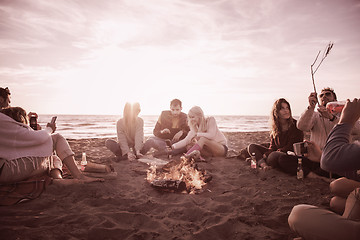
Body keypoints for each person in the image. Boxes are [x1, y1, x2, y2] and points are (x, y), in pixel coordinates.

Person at [288, 98, 360, 240]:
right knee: (337, 195)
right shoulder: (315, 115)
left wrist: (341, 120)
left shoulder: (340, 117)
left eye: (329, 94)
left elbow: (356, 129)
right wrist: (311, 106)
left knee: (298, 214)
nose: (325, 97)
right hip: (332, 160)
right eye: (323, 95)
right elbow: (302, 125)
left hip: (334, 159)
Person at [0, 107, 101, 184]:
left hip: (5, 169)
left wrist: (33, 130)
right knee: (55, 141)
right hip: (6, 171)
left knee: (52, 156)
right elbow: (40, 138)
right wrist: (49, 129)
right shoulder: (5, 125)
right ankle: (77, 176)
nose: (8, 104)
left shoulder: (7, 130)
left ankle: (58, 180)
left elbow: (25, 145)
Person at [247, 98, 305, 171]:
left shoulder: (296, 125)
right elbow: (272, 147)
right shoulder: (276, 127)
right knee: (251, 146)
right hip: (276, 153)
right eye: (282, 108)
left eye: (287, 108)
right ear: (276, 112)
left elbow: (291, 147)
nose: (286, 111)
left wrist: (268, 154)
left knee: (273, 155)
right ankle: (263, 164)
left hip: (288, 155)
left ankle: (259, 160)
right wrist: (268, 153)